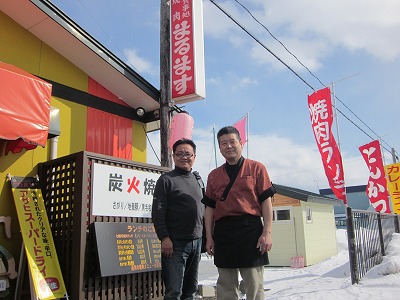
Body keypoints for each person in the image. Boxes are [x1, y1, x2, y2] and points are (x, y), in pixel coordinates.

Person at [202, 126, 276, 300]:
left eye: (232, 141)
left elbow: (267, 201)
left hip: (251, 230)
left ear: (241, 143)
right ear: (219, 148)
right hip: (223, 232)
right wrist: (209, 237)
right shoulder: (213, 175)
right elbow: (209, 208)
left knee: (254, 283)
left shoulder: (257, 168)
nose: (228, 146)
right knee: (226, 285)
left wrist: (267, 232)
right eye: (223, 143)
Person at [152, 138, 204, 300]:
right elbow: (158, 211)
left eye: (188, 154)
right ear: (173, 157)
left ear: (194, 156)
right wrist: (164, 237)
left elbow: (205, 210)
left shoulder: (198, 180)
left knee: (190, 290)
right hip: (175, 245)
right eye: (179, 154)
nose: (184, 157)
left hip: (197, 242)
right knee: (174, 292)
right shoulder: (166, 180)